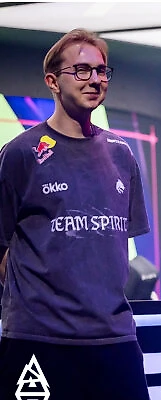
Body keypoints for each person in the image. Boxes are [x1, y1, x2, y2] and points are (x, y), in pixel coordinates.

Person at [0, 28, 150, 400]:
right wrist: (35, 301)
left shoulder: (121, 153)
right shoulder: (21, 154)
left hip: (115, 339)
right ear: (53, 81)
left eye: (101, 71)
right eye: (82, 70)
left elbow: (114, 249)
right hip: (40, 341)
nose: (95, 79)